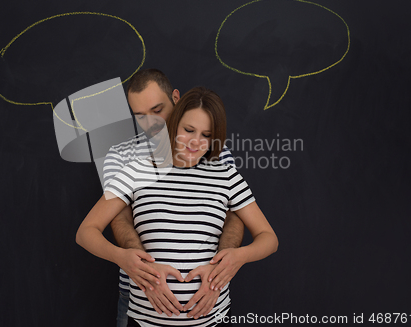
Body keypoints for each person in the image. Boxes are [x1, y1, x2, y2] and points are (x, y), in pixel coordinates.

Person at [77, 86, 278, 326]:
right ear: (174, 124)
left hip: (211, 319)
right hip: (145, 321)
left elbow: (269, 238)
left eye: (206, 134)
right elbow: (85, 232)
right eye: (189, 130)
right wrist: (122, 257)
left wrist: (239, 257)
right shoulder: (136, 171)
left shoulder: (227, 176)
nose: (196, 141)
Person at [102, 69, 244, 326]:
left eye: (158, 110)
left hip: (207, 298)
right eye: (140, 116)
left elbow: (235, 212)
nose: (151, 123)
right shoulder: (121, 156)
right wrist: (146, 275)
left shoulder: (210, 149)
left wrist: (220, 271)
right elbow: (119, 217)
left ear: (177, 98)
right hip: (139, 294)